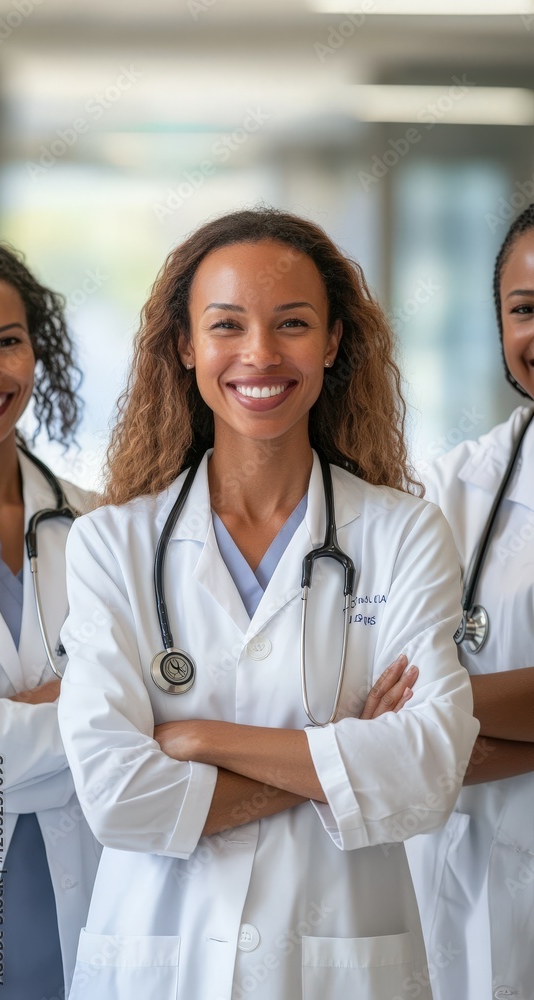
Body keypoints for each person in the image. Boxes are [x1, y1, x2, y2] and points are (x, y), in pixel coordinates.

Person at [57, 208, 478, 1000]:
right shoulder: (112, 544)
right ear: (184, 346)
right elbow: (117, 799)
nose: (259, 354)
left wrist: (198, 737)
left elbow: (427, 774)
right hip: (161, 961)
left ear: (333, 342)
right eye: (227, 325)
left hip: (339, 967)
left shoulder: (402, 532)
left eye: (292, 323)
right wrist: (346, 752)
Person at [406, 203, 534, 1000]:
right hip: (466, 902)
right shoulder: (448, 492)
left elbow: (419, 724)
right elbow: (381, 709)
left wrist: (435, 721)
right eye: (525, 309)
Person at [0, 233, 101, 1000]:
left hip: (84, 905)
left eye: (7, 342)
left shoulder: (97, 526)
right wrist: (93, 713)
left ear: (38, 348)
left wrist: (1, 725)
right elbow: (124, 720)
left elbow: (151, 732)